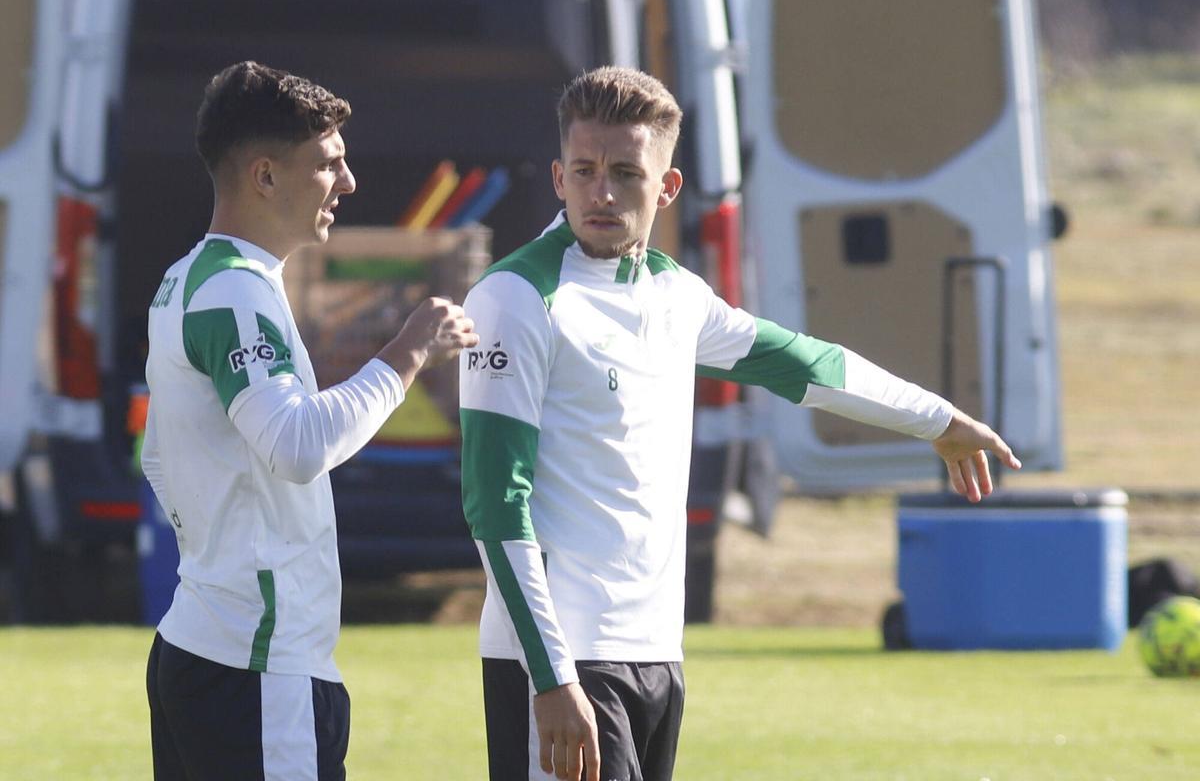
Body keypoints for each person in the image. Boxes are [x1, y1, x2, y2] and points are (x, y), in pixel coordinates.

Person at [458, 66, 1021, 781]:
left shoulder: (675, 294)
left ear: (667, 188)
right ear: (557, 178)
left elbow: (804, 364)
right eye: (585, 170)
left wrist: (937, 419)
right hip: (563, 660)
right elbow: (494, 505)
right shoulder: (514, 297)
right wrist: (549, 676)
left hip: (657, 650)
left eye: (626, 173)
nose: (602, 192)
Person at [141, 61, 478, 780]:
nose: (348, 183)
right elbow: (297, 447)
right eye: (328, 163)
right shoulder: (234, 293)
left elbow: (158, 459)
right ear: (264, 177)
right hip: (255, 667)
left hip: (208, 647)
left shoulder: (188, 280)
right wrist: (409, 348)